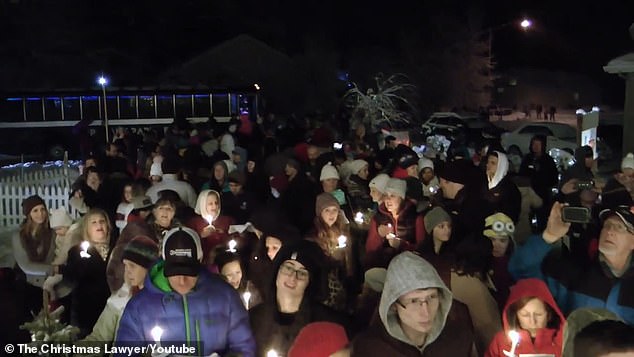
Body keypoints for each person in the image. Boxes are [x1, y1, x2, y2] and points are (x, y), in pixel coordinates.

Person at [115, 226, 256, 356]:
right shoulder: (139, 307)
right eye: (175, 272)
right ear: (164, 263)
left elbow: (244, 347)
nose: (182, 280)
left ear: (200, 260)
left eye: (188, 272)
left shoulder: (226, 297)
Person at [510, 203, 634, 324]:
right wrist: (548, 236)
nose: (609, 231)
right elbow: (521, 271)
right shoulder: (573, 273)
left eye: (620, 227)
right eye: (607, 225)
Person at [351, 252, 476, 356]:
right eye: (414, 301)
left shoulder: (460, 339)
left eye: (431, 297)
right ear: (394, 304)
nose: (425, 312)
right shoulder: (370, 349)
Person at [249, 240, 346, 356]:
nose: (293, 277)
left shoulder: (326, 322)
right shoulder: (251, 319)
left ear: (309, 282)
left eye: (302, 273)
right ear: (277, 272)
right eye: (288, 268)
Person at [80, 236, 158, 344]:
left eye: (132, 266)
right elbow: (99, 338)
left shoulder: (162, 302)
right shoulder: (121, 299)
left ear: (148, 268)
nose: (127, 271)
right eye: (125, 265)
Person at [57, 208, 112, 338]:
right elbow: (70, 278)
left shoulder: (117, 249)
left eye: (102, 221)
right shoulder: (77, 251)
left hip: (110, 312)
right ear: (87, 229)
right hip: (86, 314)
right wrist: (83, 263)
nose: (99, 225)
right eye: (94, 222)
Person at [485, 278, 565, 357]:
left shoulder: (564, 342)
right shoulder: (500, 343)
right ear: (516, 315)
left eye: (538, 314)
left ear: (549, 315)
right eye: (525, 315)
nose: (532, 322)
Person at [309, 193, 355, 312]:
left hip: (343, 278)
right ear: (320, 213)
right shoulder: (313, 236)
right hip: (327, 287)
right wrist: (333, 258)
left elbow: (350, 258)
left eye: (335, 210)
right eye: (327, 210)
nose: (331, 214)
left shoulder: (342, 230)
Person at [365, 178, 425, 269]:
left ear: (401, 198)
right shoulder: (378, 219)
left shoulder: (415, 218)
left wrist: (401, 245)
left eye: (393, 195)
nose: (388, 199)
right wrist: (379, 235)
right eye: (386, 195)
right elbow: (370, 252)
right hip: (385, 267)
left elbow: (421, 249)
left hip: (409, 268)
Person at [12, 195, 56, 317]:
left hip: (46, 285)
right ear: (28, 214)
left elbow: (52, 257)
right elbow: (25, 265)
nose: (40, 214)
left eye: (42, 209)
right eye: (35, 210)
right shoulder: (18, 236)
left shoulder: (52, 233)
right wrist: (52, 269)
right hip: (25, 284)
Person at [519, 135, 558, 230]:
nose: (535, 147)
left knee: (542, 218)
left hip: (542, 194)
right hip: (528, 193)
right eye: (534, 144)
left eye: (538, 144)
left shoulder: (548, 160)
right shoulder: (527, 158)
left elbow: (553, 177)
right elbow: (521, 174)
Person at [186, 189, 234, 263]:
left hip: (224, 260)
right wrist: (201, 235)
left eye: (216, 203)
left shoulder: (227, 220)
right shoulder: (193, 223)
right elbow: (188, 244)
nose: (214, 206)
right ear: (203, 204)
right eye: (210, 203)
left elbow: (234, 240)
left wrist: (224, 234)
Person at [483, 151, 521, 223]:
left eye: (493, 163)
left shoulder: (510, 188)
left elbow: (512, 212)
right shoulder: (482, 183)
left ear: (501, 166)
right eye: (488, 162)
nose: (488, 165)